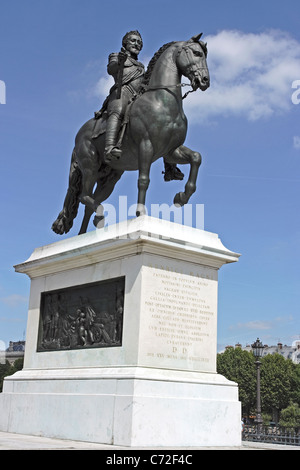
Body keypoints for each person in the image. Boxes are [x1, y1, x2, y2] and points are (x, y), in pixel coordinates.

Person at [98, 30, 184, 181]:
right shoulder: (116, 56)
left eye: (139, 42)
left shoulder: (141, 66)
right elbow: (111, 69)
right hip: (122, 93)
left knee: (159, 122)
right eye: (133, 41)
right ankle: (109, 147)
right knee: (118, 109)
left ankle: (170, 166)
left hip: (137, 97)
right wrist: (120, 61)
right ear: (125, 43)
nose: (137, 44)